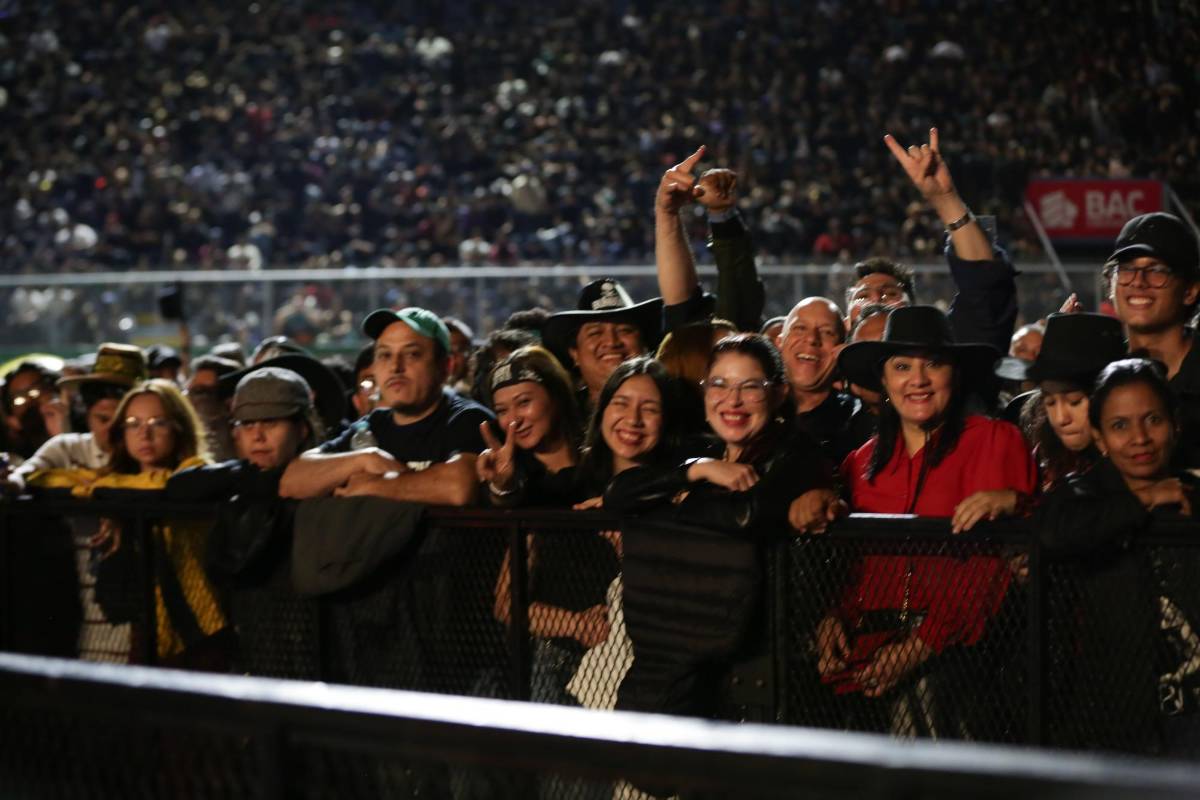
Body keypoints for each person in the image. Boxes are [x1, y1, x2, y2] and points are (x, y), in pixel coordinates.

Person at [795, 306, 1037, 737]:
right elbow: (857, 568)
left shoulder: (994, 440)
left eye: (934, 364)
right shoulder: (860, 462)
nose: (918, 380)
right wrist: (837, 617)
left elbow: (988, 570)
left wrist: (920, 647)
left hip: (963, 666)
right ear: (884, 382)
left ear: (955, 375)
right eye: (902, 366)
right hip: (865, 661)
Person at [606, 335, 833, 725]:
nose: (733, 400)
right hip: (691, 657)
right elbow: (618, 495)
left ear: (778, 394)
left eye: (750, 387)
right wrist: (697, 469)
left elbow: (747, 515)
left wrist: (676, 500)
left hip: (767, 665)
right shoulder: (698, 451)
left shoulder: (799, 453)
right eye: (720, 385)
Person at [1036, 358, 1198, 754]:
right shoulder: (1080, 494)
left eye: (1153, 420)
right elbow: (1055, 533)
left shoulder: (1194, 490)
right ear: (1100, 438)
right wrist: (1144, 499)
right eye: (1120, 425)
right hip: (1115, 720)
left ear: (1175, 423)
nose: (1139, 438)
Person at [28, 379, 225, 666]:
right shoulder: (118, 484)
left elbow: (158, 486)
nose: (144, 434)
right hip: (145, 627)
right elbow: (40, 478)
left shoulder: (195, 472)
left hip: (198, 628)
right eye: (133, 423)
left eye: (158, 422)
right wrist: (101, 489)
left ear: (178, 427)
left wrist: (100, 489)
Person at [167, 366, 324, 678]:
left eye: (271, 422)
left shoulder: (327, 474)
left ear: (302, 428)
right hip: (257, 634)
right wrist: (252, 477)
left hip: (319, 635)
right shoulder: (239, 477)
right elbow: (178, 487)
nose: (258, 435)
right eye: (247, 423)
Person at [280, 307, 492, 505]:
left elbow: (459, 487)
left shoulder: (468, 419)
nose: (395, 366)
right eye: (385, 355)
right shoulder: (371, 426)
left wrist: (374, 486)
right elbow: (291, 482)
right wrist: (365, 459)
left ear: (445, 367)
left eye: (412, 354)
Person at [1104, 212, 1200, 467]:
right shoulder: (1098, 375)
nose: (1138, 281)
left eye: (1156, 270)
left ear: (1190, 290)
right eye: (1127, 269)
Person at [1002, 314, 1128, 490]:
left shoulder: (1136, 461)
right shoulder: (1042, 458)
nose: (1061, 418)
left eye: (1075, 402)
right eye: (1050, 402)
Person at [542, 279, 662, 413]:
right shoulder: (558, 419)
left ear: (645, 346)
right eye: (596, 333)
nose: (611, 341)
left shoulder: (673, 410)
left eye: (625, 330)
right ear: (574, 353)